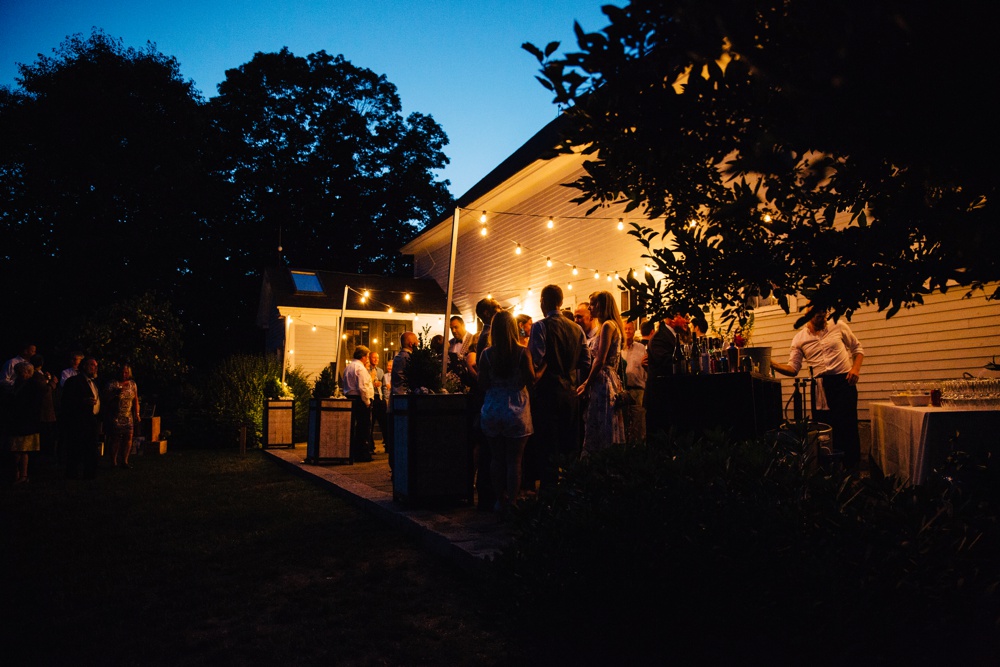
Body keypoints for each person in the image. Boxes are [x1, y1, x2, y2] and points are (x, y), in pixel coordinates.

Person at [771, 309, 865, 468]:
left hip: (844, 382)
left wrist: (855, 369)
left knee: (847, 426)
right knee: (824, 427)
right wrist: (771, 363)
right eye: (819, 314)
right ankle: (826, 469)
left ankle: (851, 469)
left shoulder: (838, 325)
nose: (823, 316)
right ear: (808, 314)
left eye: (824, 312)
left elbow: (857, 349)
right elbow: (793, 368)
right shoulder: (799, 338)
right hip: (820, 385)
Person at [528, 285, 591, 488]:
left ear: (544, 301)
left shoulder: (540, 327)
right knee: (569, 446)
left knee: (548, 448)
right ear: (561, 302)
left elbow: (535, 360)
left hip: (547, 394)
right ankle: (570, 494)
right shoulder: (577, 328)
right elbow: (586, 361)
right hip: (570, 393)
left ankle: (549, 497)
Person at [477, 310, 534, 511]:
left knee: (496, 458)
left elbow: (482, 383)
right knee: (514, 461)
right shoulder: (522, 352)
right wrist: (543, 367)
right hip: (516, 408)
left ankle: (498, 499)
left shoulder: (486, 354)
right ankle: (512, 501)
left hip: (493, 406)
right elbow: (531, 379)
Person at [577, 291, 626, 454]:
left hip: (603, 381)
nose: (590, 308)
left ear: (602, 305)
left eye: (592, 303)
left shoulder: (607, 326)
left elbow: (600, 359)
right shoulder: (613, 325)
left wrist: (586, 383)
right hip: (611, 379)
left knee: (600, 425)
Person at [471, 297, 503, 510]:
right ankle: (489, 495)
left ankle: (487, 494)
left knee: (488, 448)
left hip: (487, 394)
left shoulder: (483, 335)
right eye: (496, 308)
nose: (500, 310)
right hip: (491, 396)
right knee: (490, 449)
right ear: (485, 313)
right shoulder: (489, 336)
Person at [62, 357, 101, 479]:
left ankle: (90, 473)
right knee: (76, 447)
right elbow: (67, 401)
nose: (94, 368)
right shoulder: (74, 381)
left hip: (92, 419)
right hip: (79, 420)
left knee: (91, 447)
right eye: (91, 365)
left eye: (95, 365)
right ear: (84, 366)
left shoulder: (93, 382)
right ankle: (72, 473)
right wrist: (82, 401)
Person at [3, 362, 41, 483]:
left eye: (21, 372)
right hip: (18, 421)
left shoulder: (32, 385)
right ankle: (17, 473)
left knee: (23, 449)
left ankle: (22, 474)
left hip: (26, 421)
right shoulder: (18, 384)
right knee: (17, 449)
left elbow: (31, 404)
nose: (18, 375)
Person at [644, 316, 679, 438]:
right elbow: (666, 363)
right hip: (660, 399)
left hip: (667, 398)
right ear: (673, 318)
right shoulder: (659, 337)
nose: (688, 320)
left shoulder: (672, 336)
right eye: (684, 316)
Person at [342, 346, 374, 462]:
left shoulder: (348, 367)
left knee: (354, 426)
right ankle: (362, 454)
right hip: (360, 400)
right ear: (363, 356)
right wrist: (367, 401)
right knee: (363, 427)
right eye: (367, 356)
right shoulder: (360, 368)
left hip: (350, 397)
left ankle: (353, 452)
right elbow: (363, 387)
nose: (367, 359)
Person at [105, 364, 140, 469]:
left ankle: (125, 461)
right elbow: (106, 399)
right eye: (122, 372)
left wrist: (137, 413)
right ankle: (114, 462)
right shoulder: (112, 384)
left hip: (128, 415)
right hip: (116, 415)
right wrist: (116, 394)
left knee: (128, 437)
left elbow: (135, 400)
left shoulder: (132, 384)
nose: (124, 374)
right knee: (115, 438)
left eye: (126, 372)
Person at [29, 354, 58, 465]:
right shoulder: (36, 376)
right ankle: (43, 459)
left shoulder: (38, 376)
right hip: (43, 412)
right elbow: (44, 390)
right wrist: (52, 383)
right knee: (45, 436)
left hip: (45, 411)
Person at [622, 320, 647, 443]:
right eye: (625, 329)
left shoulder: (641, 348)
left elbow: (646, 368)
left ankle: (639, 451)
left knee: (638, 423)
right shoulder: (618, 348)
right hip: (622, 390)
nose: (627, 331)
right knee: (624, 424)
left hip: (637, 390)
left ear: (633, 330)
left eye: (629, 329)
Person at [448, 315, 477, 389]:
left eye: (456, 327)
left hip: (470, 384)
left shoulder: (473, 340)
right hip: (453, 385)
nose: (453, 331)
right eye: (451, 328)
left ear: (463, 326)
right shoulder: (449, 343)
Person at [368, 351, 388, 452]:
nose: (376, 360)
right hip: (371, 397)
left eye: (377, 358)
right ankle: (370, 446)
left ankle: (388, 445)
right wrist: (373, 384)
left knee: (384, 422)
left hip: (380, 398)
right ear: (369, 358)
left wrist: (385, 398)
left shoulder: (380, 371)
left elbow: (384, 385)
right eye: (374, 358)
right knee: (370, 424)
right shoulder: (366, 370)